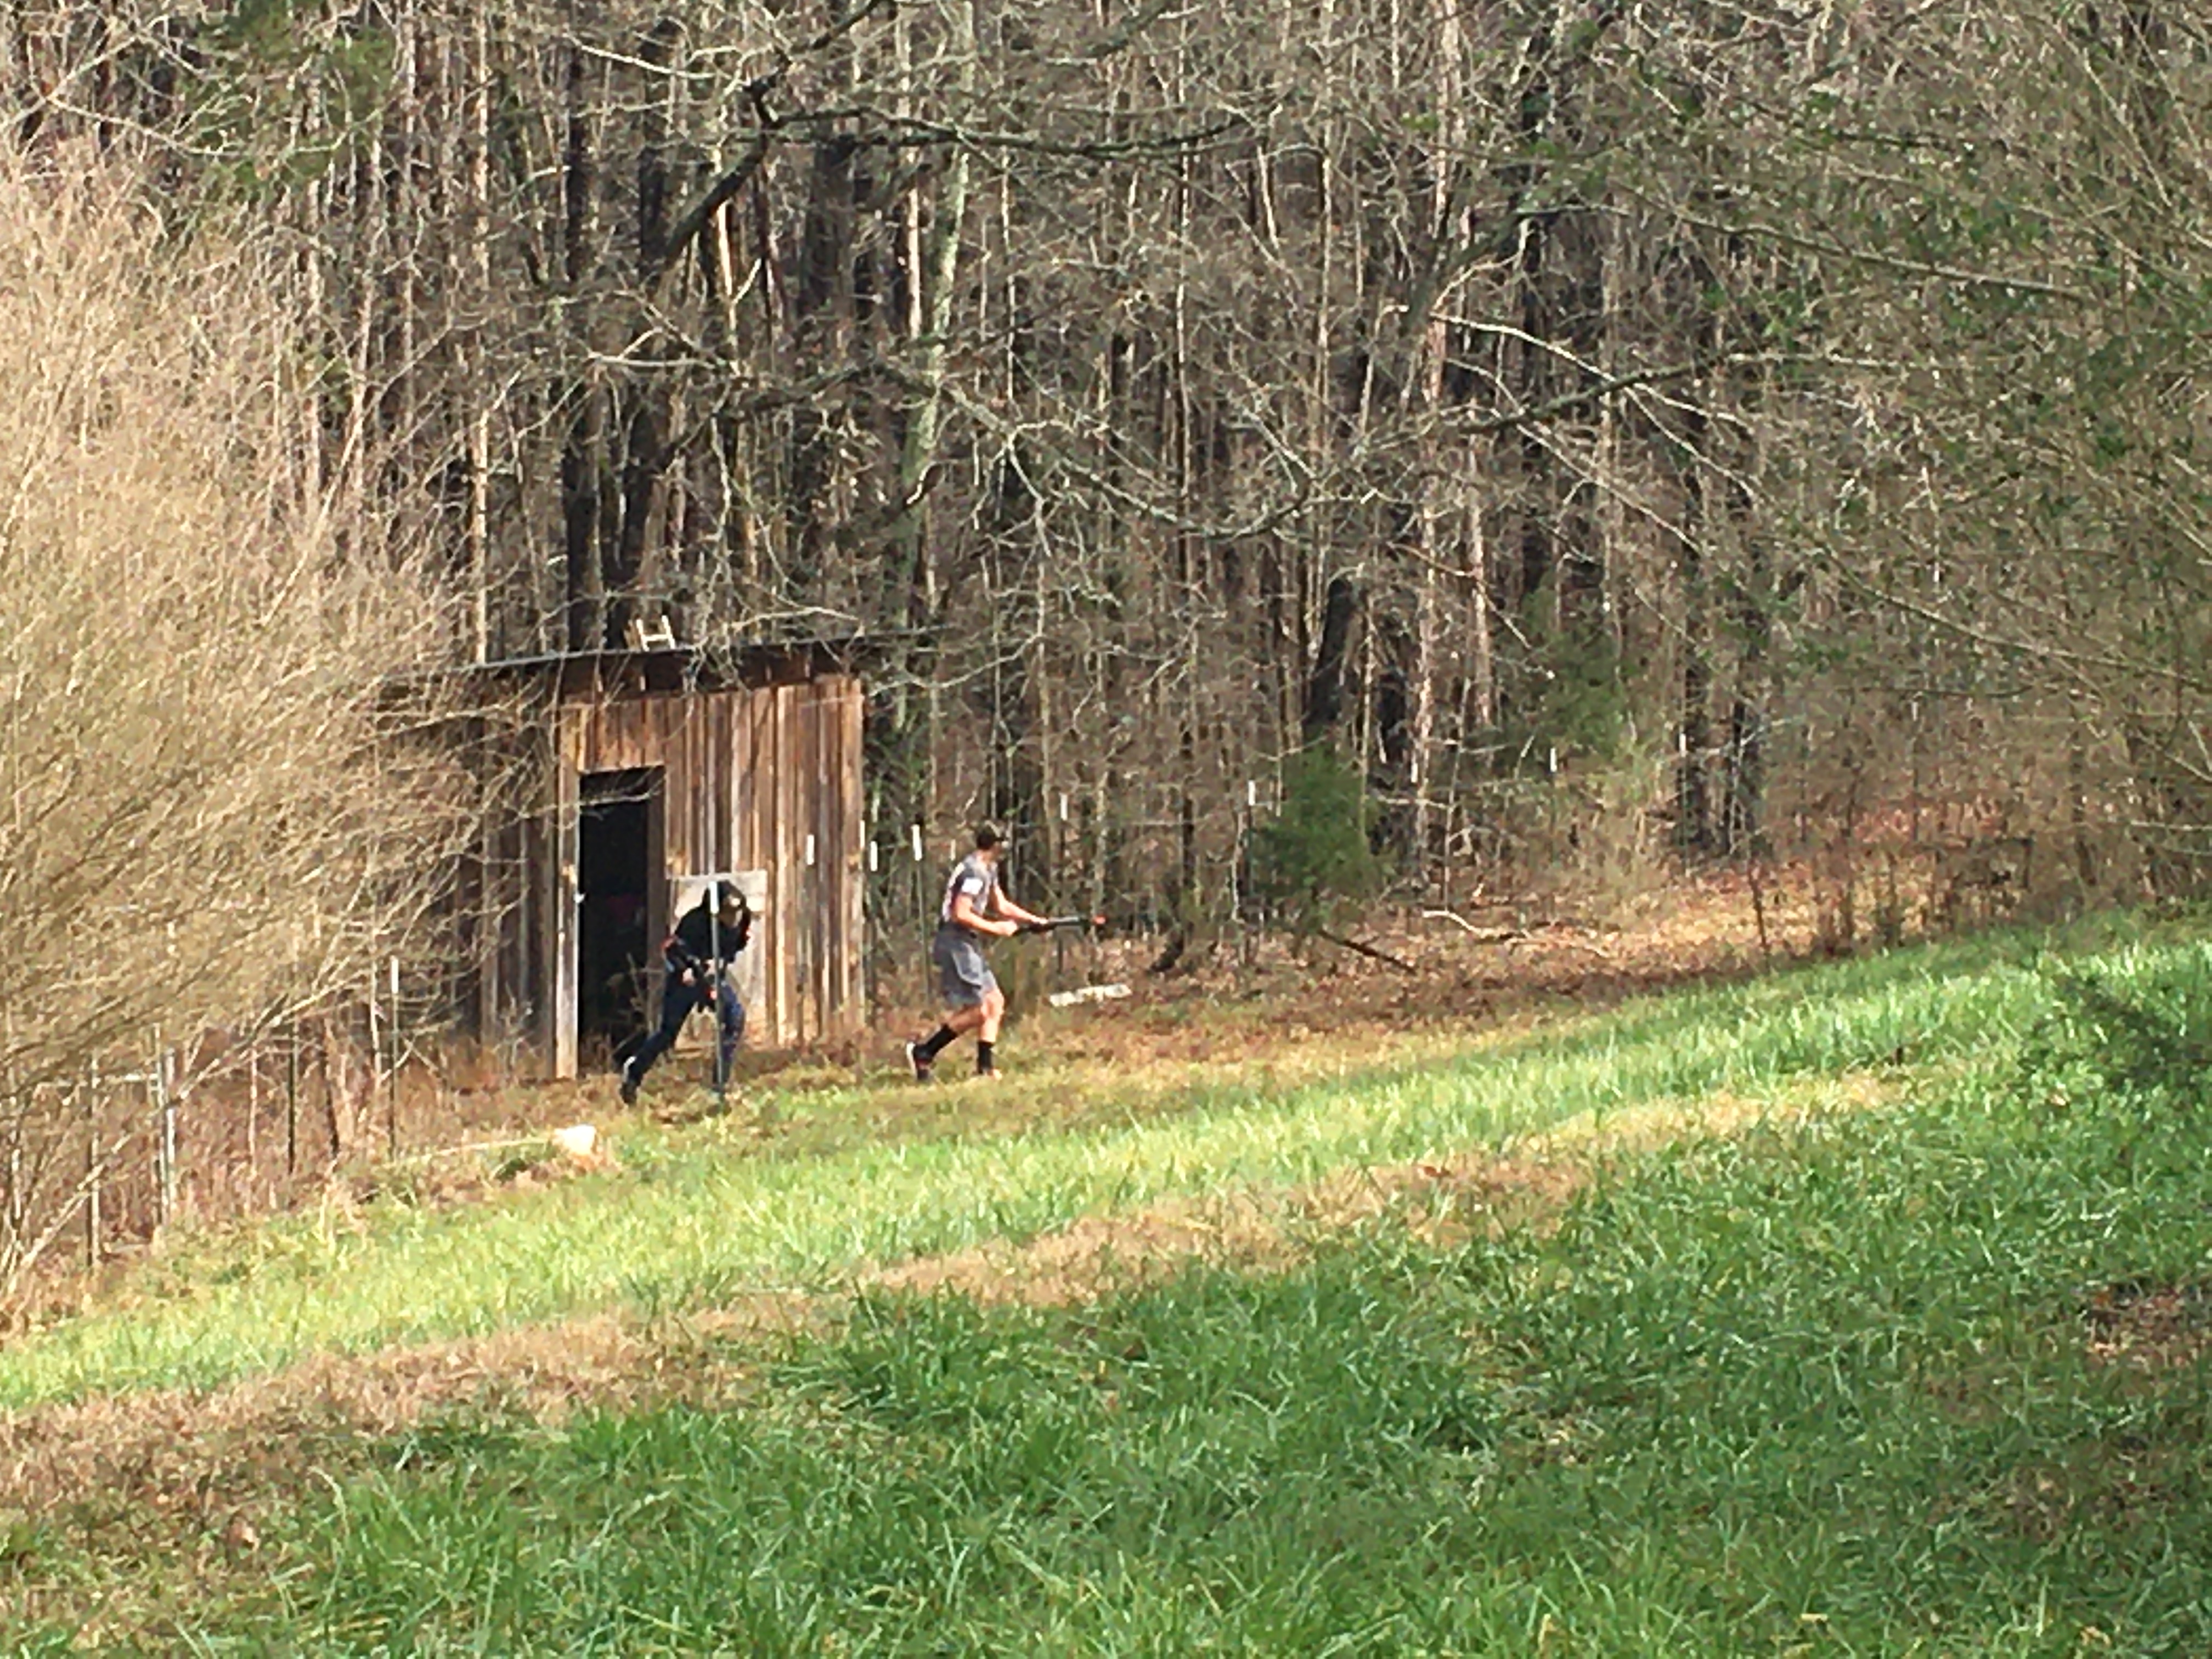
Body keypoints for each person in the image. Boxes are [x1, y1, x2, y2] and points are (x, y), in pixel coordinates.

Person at [907, 823, 1068, 1081]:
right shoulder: (974, 873)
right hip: (955, 942)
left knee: (995, 1002)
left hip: (968, 942)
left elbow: (1001, 905)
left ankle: (985, 1069)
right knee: (979, 1010)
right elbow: (960, 914)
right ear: (995, 844)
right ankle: (924, 1052)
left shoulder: (988, 869)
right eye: (1003, 843)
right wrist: (996, 929)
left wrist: (1034, 920)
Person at [618, 881, 750, 1104]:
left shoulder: (739, 923)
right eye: (727, 913)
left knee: (734, 1018)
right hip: (686, 981)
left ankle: (720, 1084)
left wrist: (718, 967)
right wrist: (685, 968)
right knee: (667, 1034)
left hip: (712, 979)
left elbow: (732, 950)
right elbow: (672, 949)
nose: (732, 919)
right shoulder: (694, 923)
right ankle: (634, 1071)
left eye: (735, 914)